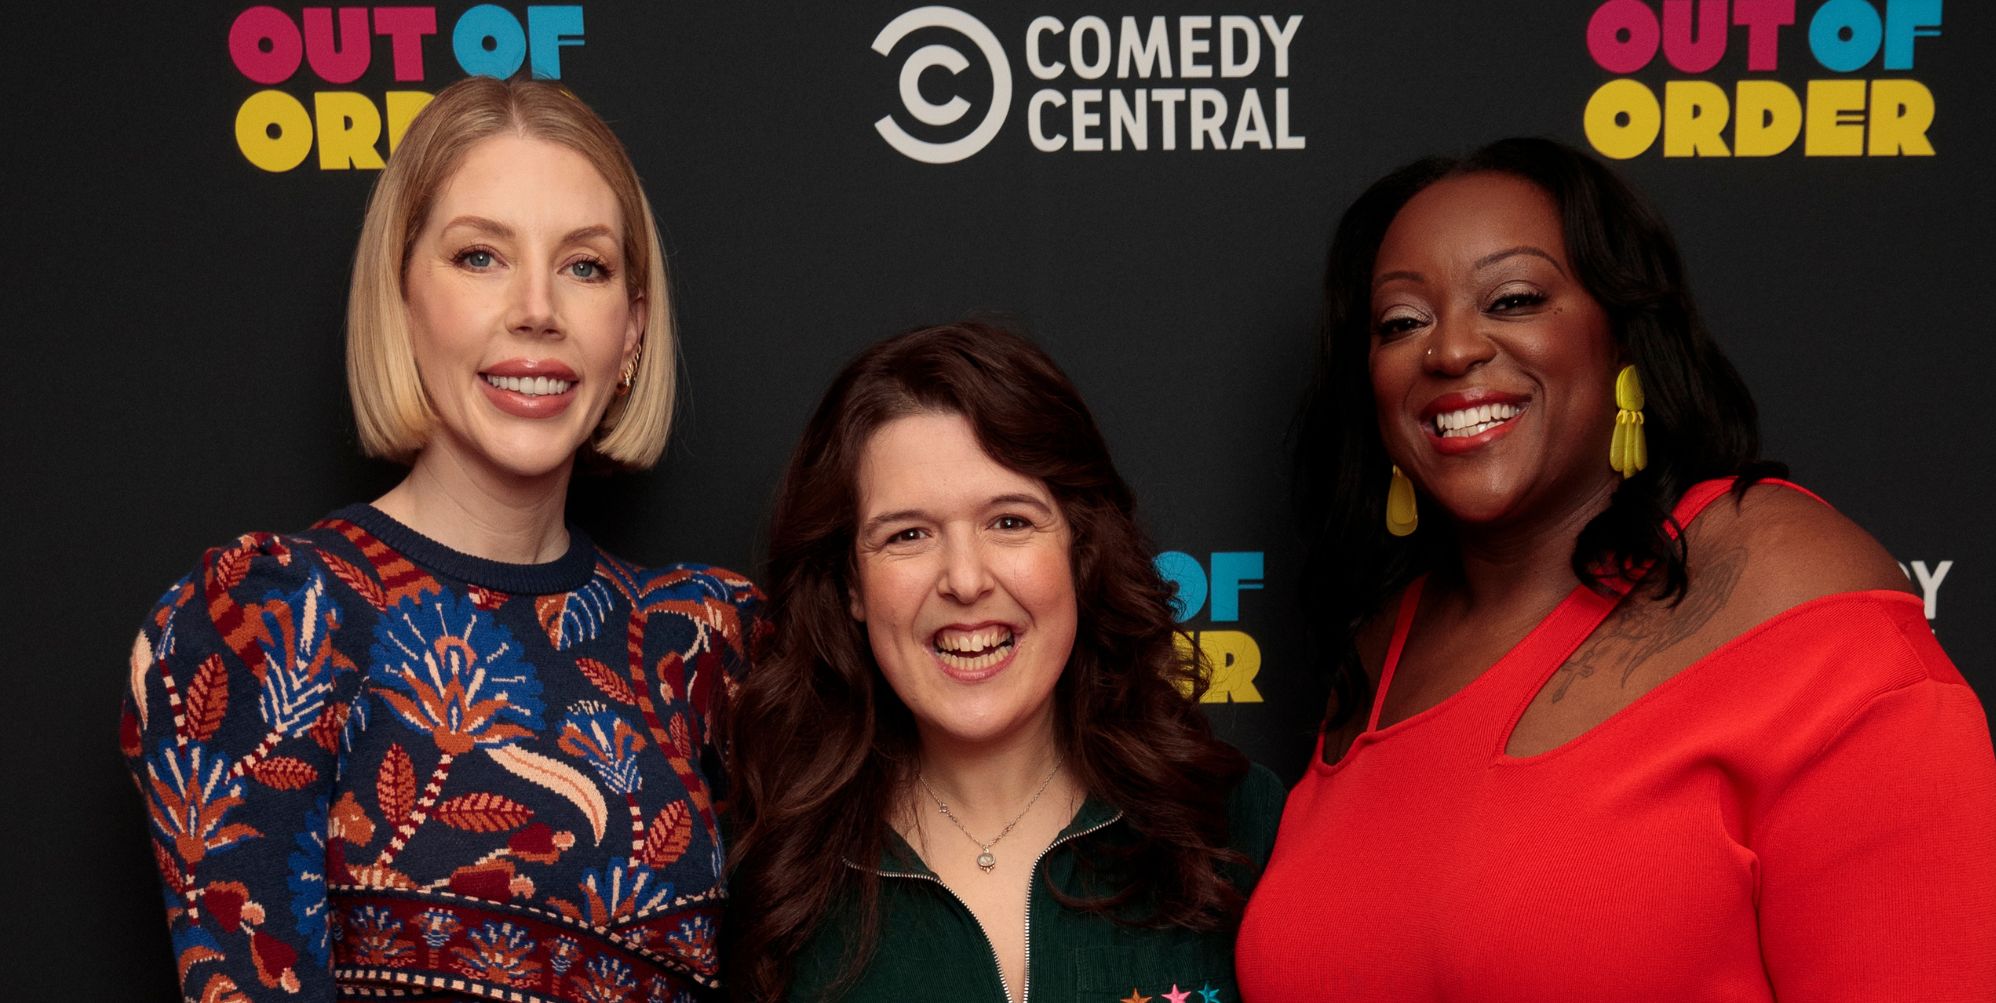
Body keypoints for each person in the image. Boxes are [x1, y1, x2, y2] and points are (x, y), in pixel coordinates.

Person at [1235, 136, 1996, 1000]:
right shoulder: (1382, 648)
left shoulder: (1783, 581)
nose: (1450, 352)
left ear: (1624, 337)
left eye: (1513, 298)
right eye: (1402, 322)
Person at [120, 77, 763, 1002]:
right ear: (401, 298)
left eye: (584, 266)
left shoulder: (702, 643)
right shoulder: (271, 619)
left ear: (633, 330)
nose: (537, 308)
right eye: (479, 257)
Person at [725, 322, 1284, 1002]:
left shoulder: (1238, 824)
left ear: (1080, 549)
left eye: (1010, 521)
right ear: (851, 586)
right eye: (908, 534)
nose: (964, 579)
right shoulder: (775, 879)